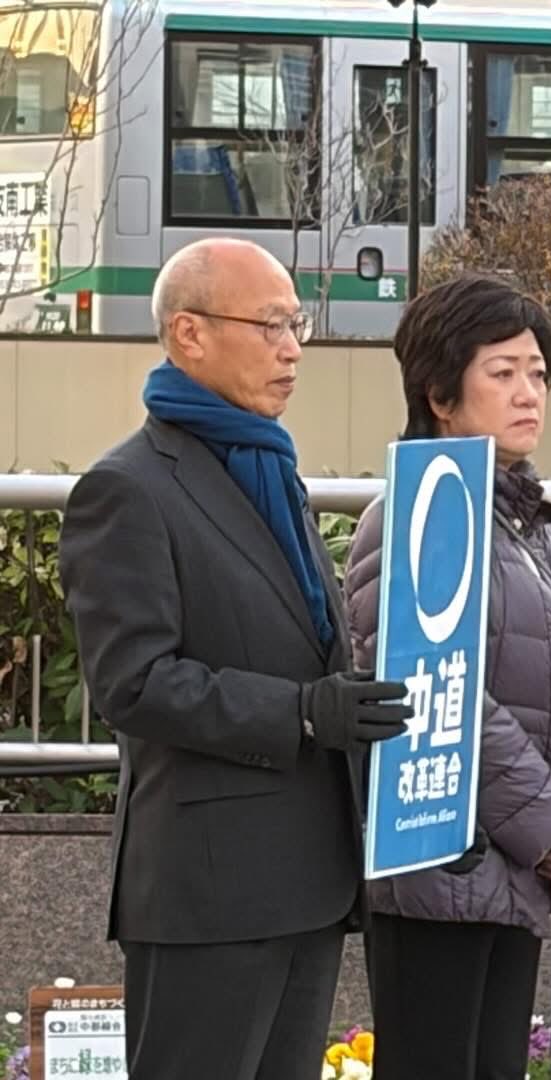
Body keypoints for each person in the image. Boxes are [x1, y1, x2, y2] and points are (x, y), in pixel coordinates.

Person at [57, 237, 411, 1080]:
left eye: (298, 324)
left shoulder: (268, 468)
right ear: (189, 334)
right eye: (271, 325)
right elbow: (133, 683)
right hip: (208, 895)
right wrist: (297, 712)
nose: (293, 347)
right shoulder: (128, 488)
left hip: (309, 878)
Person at [343, 274, 551, 1080]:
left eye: (539, 373)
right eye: (503, 372)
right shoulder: (422, 511)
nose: (529, 393)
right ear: (440, 393)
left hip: (508, 867)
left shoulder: (526, 523)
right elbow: (425, 686)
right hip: (437, 869)